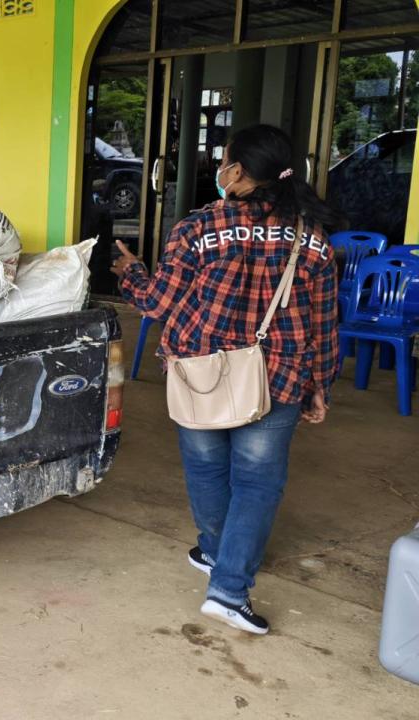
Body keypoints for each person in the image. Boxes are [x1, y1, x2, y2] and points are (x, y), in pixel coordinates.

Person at [111, 124, 341, 635]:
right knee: (257, 482)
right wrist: (320, 385)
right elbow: (324, 323)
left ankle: (223, 571)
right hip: (278, 376)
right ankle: (225, 574)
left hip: (200, 374)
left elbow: (156, 304)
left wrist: (131, 272)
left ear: (235, 171)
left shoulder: (197, 228)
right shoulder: (313, 240)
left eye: (223, 162)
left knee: (207, 470)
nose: (220, 170)